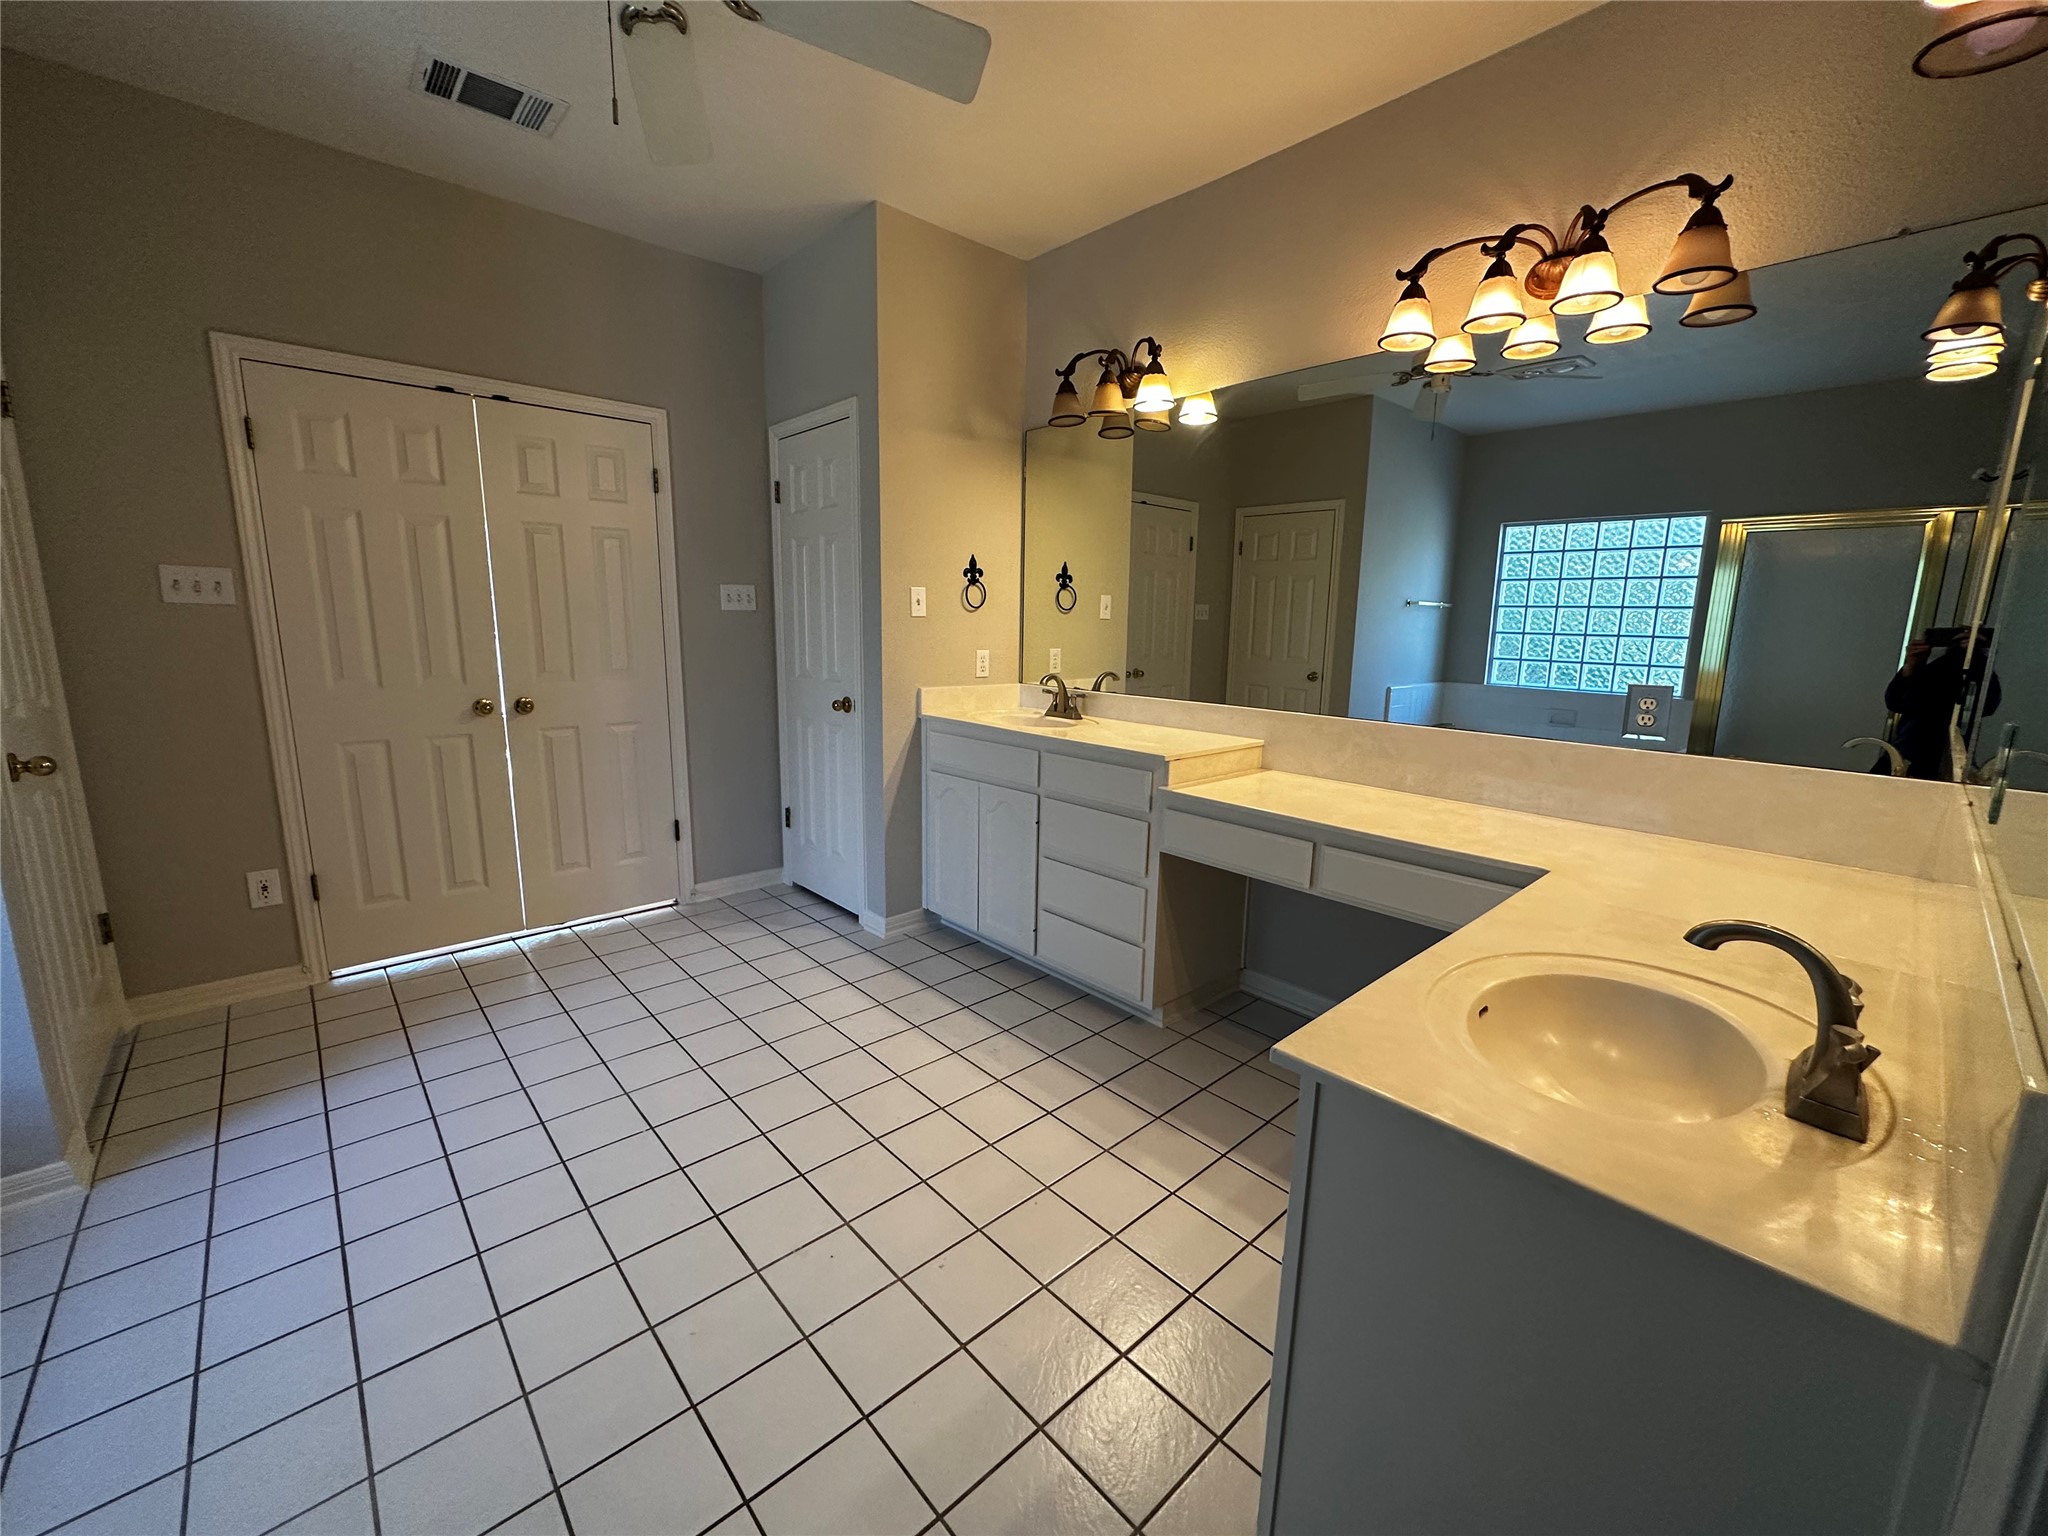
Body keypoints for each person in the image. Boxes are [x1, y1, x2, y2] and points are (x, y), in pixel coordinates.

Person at [1880, 626, 2000, 780]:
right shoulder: (1936, 670)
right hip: (1910, 754)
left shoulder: (1978, 674)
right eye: (1958, 636)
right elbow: (1895, 702)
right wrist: (1911, 667)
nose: (1965, 641)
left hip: (1946, 760)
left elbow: (1988, 705)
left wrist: (1980, 658)